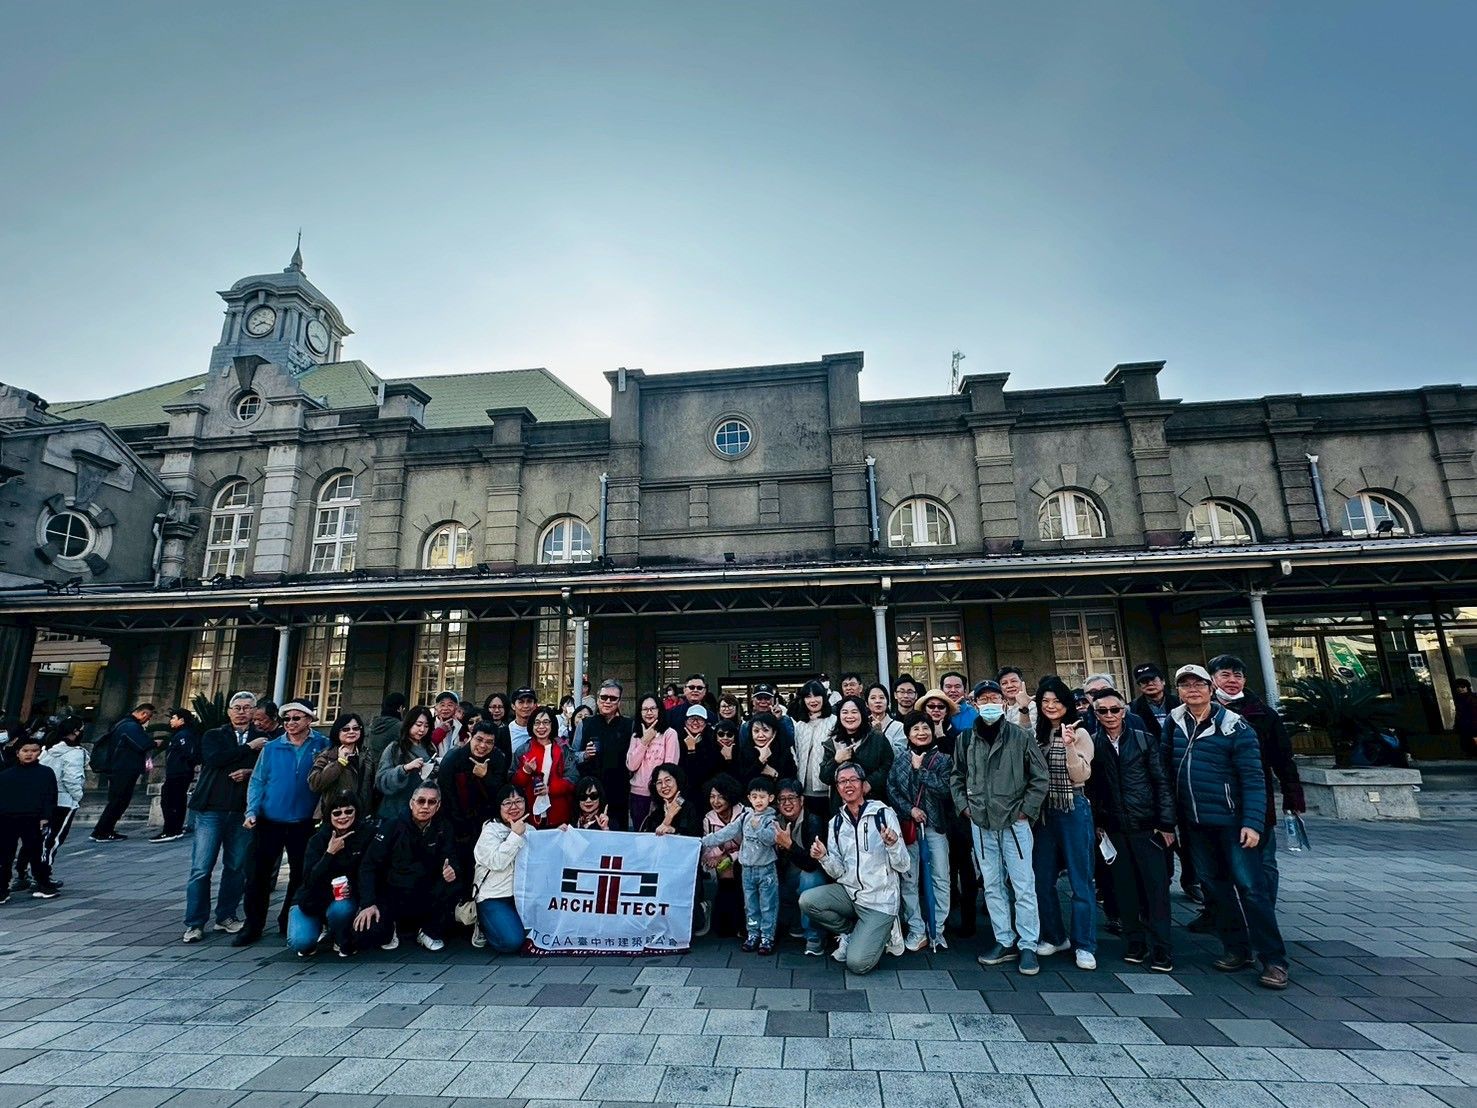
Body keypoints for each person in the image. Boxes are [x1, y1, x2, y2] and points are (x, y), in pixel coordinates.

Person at [1168, 664, 1290, 990]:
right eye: (1185, 685)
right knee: (1215, 888)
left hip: (1233, 823)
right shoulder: (1174, 724)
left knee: (1251, 889)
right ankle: (1236, 948)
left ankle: (1274, 959)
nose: (1193, 690)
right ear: (1178, 691)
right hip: (1195, 823)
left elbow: (1254, 779)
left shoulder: (1235, 726)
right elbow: (1167, 773)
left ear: (1211, 689)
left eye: (1198, 684)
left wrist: (1252, 822)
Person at [951, 679, 1049, 975]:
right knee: (992, 885)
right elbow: (957, 776)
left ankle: (1028, 943)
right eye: (983, 699)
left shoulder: (1019, 736)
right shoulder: (965, 739)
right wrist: (965, 807)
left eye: (994, 698)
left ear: (1003, 702)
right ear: (975, 703)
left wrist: (1026, 811)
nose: (989, 704)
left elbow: (1039, 777)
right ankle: (1004, 939)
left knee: (1023, 884)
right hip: (981, 822)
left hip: (1014, 821)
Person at [1085, 687, 1175, 972]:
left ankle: (1161, 947)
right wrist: (1098, 822)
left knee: (1156, 889)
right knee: (1124, 889)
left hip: (1147, 826)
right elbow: (1093, 789)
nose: (1109, 715)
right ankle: (1135, 941)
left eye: (1115, 709)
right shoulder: (1094, 744)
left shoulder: (1144, 739)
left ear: (1124, 711)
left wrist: (1166, 823)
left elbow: (1161, 782)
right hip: (1113, 827)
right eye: (1102, 711)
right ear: (1096, 714)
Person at [1209, 654, 1305, 907]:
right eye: (1225, 675)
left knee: (1264, 859)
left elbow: (1283, 759)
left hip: (1257, 797)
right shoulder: (1202, 711)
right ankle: (1221, 913)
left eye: (1237, 675)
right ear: (1213, 679)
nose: (1232, 680)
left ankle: (1264, 909)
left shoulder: (1263, 713)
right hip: (1215, 799)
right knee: (1218, 861)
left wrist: (1292, 795)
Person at [799, 762, 909, 973]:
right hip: (850, 893)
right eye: (842, 781)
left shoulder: (883, 814)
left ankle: (886, 930)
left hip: (879, 901)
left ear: (863, 784)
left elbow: (903, 865)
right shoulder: (836, 823)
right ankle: (851, 932)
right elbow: (838, 872)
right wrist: (824, 857)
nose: (848, 785)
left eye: (853, 780)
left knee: (857, 964)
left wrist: (893, 844)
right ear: (837, 788)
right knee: (808, 901)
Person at [236, 700, 330, 945]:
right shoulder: (272, 747)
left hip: (304, 821)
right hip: (270, 819)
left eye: (296, 718)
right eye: (286, 719)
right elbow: (258, 780)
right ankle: (253, 925)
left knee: (300, 874)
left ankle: (287, 919)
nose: (290, 723)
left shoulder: (322, 745)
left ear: (309, 720)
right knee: (258, 875)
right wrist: (251, 811)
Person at [182, 691, 263, 942]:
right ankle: (195, 922)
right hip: (211, 809)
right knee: (201, 867)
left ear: (254, 711)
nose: (242, 712)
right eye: (237, 707)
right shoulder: (214, 735)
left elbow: (266, 769)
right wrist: (247, 748)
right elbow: (214, 759)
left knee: (236, 866)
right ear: (229, 711)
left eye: (247, 707)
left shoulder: (264, 739)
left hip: (241, 810)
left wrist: (249, 771)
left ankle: (226, 916)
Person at [1030, 676, 1098, 970]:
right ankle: (1054, 936)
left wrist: (1069, 745)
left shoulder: (1080, 731)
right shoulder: (1040, 733)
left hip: (1073, 807)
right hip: (1044, 813)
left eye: (1056, 701)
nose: (1050, 706)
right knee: (1042, 878)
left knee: (1080, 880)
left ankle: (1085, 944)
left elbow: (1081, 774)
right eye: (1045, 701)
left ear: (1066, 703)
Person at [353, 781, 459, 951]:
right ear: (411, 803)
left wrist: (452, 869)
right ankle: (393, 927)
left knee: (452, 886)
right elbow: (368, 866)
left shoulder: (443, 827)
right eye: (421, 801)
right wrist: (368, 903)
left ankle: (427, 931)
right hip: (393, 891)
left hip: (426, 891)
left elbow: (451, 857)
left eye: (431, 802)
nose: (425, 806)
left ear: (438, 806)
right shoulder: (391, 826)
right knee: (367, 934)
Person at [1128, 662, 1198, 903]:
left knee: (1188, 834)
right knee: (1161, 832)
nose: (1149, 684)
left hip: (1182, 775)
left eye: (1153, 679)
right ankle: (1163, 879)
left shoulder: (1181, 704)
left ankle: (1192, 880)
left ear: (1163, 681)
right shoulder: (1133, 711)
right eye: (1143, 681)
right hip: (1153, 780)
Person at [888, 710, 953, 952]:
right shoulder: (900, 759)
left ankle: (937, 928)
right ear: (908, 733)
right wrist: (911, 810)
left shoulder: (944, 759)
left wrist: (921, 771)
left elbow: (946, 789)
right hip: (909, 828)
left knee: (941, 878)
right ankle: (916, 928)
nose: (921, 732)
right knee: (909, 879)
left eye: (925, 728)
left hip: (935, 828)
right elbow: (892, 790)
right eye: (915, 728)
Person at [286, 789, 372, 957]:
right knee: (301, 943)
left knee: (342, 908)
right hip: (311, 900)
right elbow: (309, 879)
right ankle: (319, 927)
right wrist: (329, 853)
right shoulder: (318, 839)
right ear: (329, 815)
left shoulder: (365, 836)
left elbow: (367, 872)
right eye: (337, 813)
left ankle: (340, 937)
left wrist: (353, 889)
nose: (343, 817)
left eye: (349, 811)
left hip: (342, 900)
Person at [700, 776, 781, 953]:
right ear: (749, 798)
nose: (758, 801)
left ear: (771, 798)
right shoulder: (745, 817)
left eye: (762, 797)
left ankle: (767, 937)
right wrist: (701, 842)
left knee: (768, 905)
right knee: (750, 905)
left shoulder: (772, 819)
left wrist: (758, 827)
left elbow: (770, 840)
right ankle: (753, 934)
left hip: (766, 869)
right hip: (747, 870)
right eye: (754, 796)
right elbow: (725, 833)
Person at [436, 720, 508, 895]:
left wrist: (486, 776)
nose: (483, 746)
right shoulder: (452, 759)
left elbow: (501, 794)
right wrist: (458, 826)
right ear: (470, 736)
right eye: (479, 739)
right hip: (456, 824)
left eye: (489, 742)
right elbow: (446, 796)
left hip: (486, 825)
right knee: (458, 873)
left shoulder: (498, 758)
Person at [0, 734, 60, 902]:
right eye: (25, 750)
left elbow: (50, 796)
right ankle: (2, 889)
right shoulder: (5, 775)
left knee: (36, 853)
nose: (29, 754)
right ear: (17, 752)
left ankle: (42, 884)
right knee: (5, 855)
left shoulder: (46, 773)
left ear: (39, 752)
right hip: (7, 819)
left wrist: (46, 817)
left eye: (34, 751)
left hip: (34, 818)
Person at [472, 786, 530, 953]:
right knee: (512, 941)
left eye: (518, 801)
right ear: (499, 806)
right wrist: (515, 836)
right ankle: (483, 925)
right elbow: (497, 862)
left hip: (523, 897)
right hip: (495, 896)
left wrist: (559, 833)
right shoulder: (490, 830)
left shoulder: (530, 829)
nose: (514, 807)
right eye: (507, 803)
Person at [90, 702, 159, 842]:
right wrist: (154, 743)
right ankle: (103, 831)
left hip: (119, 768)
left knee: (117, 800)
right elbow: (142, 744)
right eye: (148, 717)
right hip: (123, 769)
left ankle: (103, 830)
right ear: (143, 713)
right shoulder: (130, 726)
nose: (148, 720)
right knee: (118, 801)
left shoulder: (123, 724)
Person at [773, 779, 827, 955]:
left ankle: (814, 935)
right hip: (786, 879)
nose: (787, 803)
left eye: (791, 798)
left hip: (808, 875)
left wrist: (789, 845)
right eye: (782, 799)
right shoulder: (774, 822)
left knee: (810, 878)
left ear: (801, 800)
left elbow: (812, 863)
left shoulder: (813, 821)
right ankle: (791, 922)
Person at [573, 679, 631, 829]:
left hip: (619, 792)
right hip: (590, 795)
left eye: (613, 698)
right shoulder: (585, 724)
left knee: (618, 835)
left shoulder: (629, 725)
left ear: (619, 702)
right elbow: (572, 756)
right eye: (604, 697)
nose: (608, 701)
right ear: (598, 699)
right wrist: (585, 755)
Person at [820, 695, 893, 810]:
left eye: (854, 712)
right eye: (845, 712)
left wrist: (870, 783)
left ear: (862, 714)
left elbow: (888, 765)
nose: (849, 716)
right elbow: (824, 777)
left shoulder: (877, 738)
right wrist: (835, 761)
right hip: (842, 806)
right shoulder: (832, 743)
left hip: (874, 803)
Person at [511, 705, 578, 828]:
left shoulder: (563, 749)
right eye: (537, 723)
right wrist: (526, 771)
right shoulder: (523, 750)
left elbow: (573, 779)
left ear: (552, 725)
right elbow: (513, 782)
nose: (541, 727)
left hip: (559, 814)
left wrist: (550, 789)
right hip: (529, 815)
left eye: (546, 722)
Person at [38, 717, 86, 881]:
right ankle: (43, 874)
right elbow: (72, 778)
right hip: (64, 799)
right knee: (54, 838)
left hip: (46, 798)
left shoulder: (48, 749)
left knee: (43, 837)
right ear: (76, 732)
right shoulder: (74, 753)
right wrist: (78, 796)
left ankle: (29, 872)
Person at [701, 773, 748, 937]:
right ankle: (727, 923)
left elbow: (749, 847)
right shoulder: (708, 819)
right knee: (725, 875)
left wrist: (730, 858)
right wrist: (720, 851)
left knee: (736, 870)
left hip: (745, 860)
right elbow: (707, 852)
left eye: (721, 797)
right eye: (712, 796)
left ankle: (743, 924)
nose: (716, 801)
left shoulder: (744, 814)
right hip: (721, 864)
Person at [627, 694, 679, 831]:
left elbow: (670, 768)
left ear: (659, 710)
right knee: (640, 835)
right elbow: (631, 765)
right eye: (645, 709)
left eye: (652, 708)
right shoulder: (636, 735)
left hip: (661, 794)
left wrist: (659, 791)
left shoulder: (669, 734)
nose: (649, 712)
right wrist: (644, 741)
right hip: (638, 794)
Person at [309, 713, 376, 818]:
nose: (351, 732)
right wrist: (339, 763)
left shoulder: (366, 755)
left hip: (360, 816)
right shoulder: (327, 755)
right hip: (334, 815)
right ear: (337, 732)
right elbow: (315, 784)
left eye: (356, 728)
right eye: (345, 729)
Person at [376, 706, 438, 818]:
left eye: (426, 726)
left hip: (423, 810)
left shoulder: (430, 747)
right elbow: (381, 781)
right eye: (418, 725)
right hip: (397, 811)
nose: (422, 730)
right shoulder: (395, 748)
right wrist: (404, 769)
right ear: (409, 724)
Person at [152, 708, 200, 843]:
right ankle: (175, 829)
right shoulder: (181, 734)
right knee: (176, 800)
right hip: (178, 772)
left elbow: (189, 753)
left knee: (170, 801)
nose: (171, 721)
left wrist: (184, 765)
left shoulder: (184, 735)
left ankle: (170, 830)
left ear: (181, 720)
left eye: (173, 718)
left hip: (179, 773)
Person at [791, 680, 834, 820]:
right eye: (808, 697)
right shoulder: (800, 726)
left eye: (816, 695)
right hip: (804, 790)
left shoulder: (834, 721)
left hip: (828, 790)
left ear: (824, 697)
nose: (813, 700)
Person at [676, 705, 718, 808]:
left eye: (700, 720)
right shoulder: (677, 739)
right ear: (686, 722)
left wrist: (692, 749)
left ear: (705, 723)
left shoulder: (712, 740)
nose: (695, 723)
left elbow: (707, 769)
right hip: (684, 791)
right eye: (692, 719)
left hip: (706, 792)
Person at [740, 711, 797, 784]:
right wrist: (760, 761)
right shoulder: (744, 752)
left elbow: (791, 782)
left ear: (774, 732)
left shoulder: (784, 751)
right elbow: (742, 781)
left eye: (765, 730)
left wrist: (774, 774)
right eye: (756, 731)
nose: (760, 735)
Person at [366, 693, 407, 766]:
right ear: (399, 708)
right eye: (403, 708)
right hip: (393, 768)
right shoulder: (400, 727)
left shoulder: (373, 725)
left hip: (375, 768)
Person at [865, 683, 906, 754]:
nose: (878, 701)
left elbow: (900, 754)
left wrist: (880, 734)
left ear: (888, 702)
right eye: (873, 698)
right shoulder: (862, 726)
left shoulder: (899, 727)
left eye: (881, 697)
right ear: (866, 704)